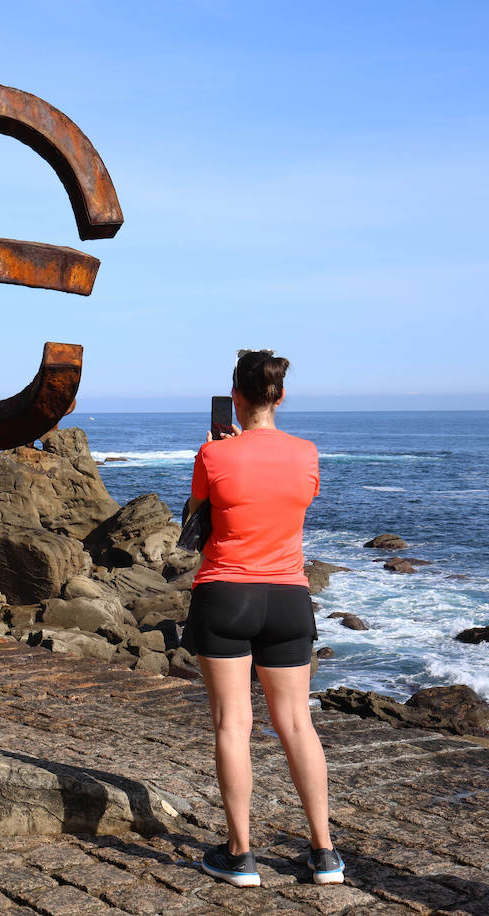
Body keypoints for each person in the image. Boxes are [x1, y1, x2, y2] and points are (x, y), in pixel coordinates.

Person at [184, 350, 343, 887]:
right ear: (279, 395)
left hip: (227, 592)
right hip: (288, 598)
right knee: (298, 723)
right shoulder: (307, 454)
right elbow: (294, 503)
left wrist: (224, 450)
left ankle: (240, 854)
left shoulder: (213, 453)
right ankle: (324, 854)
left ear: (236, 396)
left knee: (234, 724)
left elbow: (195, 514)